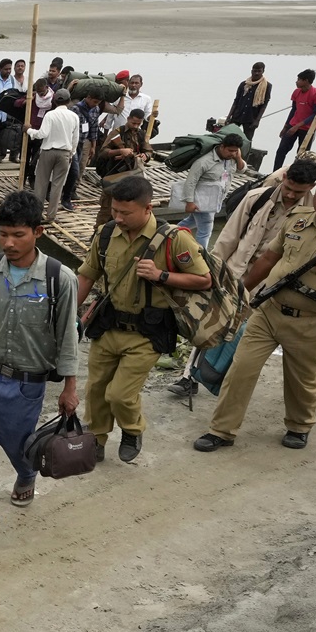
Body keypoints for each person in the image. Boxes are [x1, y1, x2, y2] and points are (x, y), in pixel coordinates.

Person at [194, 165, 316, 453]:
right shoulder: (297, 218)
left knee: (303, 380)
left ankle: (299, 425)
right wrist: (240, 295)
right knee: (240, 371)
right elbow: (269, 258)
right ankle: (222, 430)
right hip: (268, 311)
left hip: (313, 322)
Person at [0, 190, 79, 506]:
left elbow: (67, 337)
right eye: (3, 234)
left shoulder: (59, 279)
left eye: (18, 235)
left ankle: (26, 474)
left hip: (25, 384)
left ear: (38, 232)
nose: (8, 243)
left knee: (18, 445)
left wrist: (69, 388)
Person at [77, 175, 213, 463]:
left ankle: (132, 429)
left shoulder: (175, 239)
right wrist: (67, 314)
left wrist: (162, 275)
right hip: (109, 324)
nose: (118, 217)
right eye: (115, 210)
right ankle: (97, 439)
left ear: (148, 208)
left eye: (126, 213)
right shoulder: (105, 234)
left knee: (120, 394)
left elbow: (203, 279)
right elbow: (88, 274)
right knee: (96, 389)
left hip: (147, 331)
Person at [165, 158, 316, 401]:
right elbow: (228, 237)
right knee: (210, 323)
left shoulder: (313, 213)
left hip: (270, 284)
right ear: (284, 178)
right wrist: (211, 271)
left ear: (311, 187)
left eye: (298, 192)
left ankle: (225, 380)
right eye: (288, 187)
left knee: (246, 336)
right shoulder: (256, 198)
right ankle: (189, 377)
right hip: (235, 273)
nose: (290, 195)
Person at [179, 133, 246, 251]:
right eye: (230, 150)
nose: (232, 153)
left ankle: (167, 232)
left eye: (236, 151)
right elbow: (190, 182)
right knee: (205, 230)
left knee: (191, 221)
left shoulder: (232, 159)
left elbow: (242, 170)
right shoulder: (204, 162)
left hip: (216, 199)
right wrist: (189, 202)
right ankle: (202, 255)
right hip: (201, 200)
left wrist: (238, 157)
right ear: (222, 146)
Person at [26, 88, 79, 219]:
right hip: (64, 153)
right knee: (57, 185)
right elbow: (75, 139)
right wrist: (71, 154)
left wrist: (29, 131)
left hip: (48, 152)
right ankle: (51, 215)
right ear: (68, 101)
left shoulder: (50, 115)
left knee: (41, 184)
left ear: (54, 101)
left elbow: (42, 134)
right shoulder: (74, 117)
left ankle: (37, 214)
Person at [94, 108, 152, 227]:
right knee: (106, 210)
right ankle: (97, 234)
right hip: (114, 175)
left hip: (132, 176)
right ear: (128, 119)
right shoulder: (117, 132)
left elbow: (148, 150)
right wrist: (120, 151)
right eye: (133, 123)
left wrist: (145, 155)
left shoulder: (140, 134)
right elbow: (103, 152)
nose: (135, 126)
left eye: (138, 124)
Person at [272, 70, 316, 170]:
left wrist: (298, 126)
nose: (296, 82)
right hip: (293, 125)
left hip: (308, 129)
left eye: (299, 80)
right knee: (281, 150)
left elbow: (315, 114)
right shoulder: (297, 92)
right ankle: (275, 172)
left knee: (302, 155)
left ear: (306, 81)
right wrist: (286, 126)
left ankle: (295, 175)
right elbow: (293, 110)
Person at [227, 62, 271, 142]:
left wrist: (257, 120)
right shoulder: (244, 84)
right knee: (229, 136)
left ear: (263, 71)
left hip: (251, 117)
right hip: (237, 115)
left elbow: (264, 104)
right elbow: (236, 101)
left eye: (259, 71)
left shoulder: (267, 86)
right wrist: (229, 116)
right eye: (254, 71)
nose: (256, 73)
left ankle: (245, 154)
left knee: (247, 140)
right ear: (251, 71)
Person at [0, 58, 15, 152]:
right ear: (0, 68)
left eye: (10, 69)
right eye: (6, 69)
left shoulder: (11, 80)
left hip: (5, 115)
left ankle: (0, 155)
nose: (8, 71)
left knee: (3, 137)